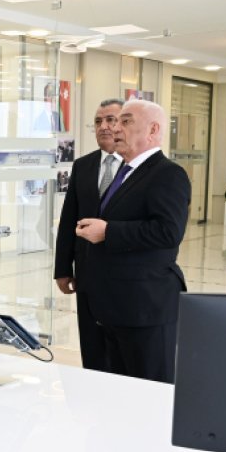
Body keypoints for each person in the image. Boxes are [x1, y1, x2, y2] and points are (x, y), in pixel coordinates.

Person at [74, 99, 190, 383]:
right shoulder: (125, 173)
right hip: (115, 307)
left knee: (148, 390)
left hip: (144, 308)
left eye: (125, 121)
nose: (116, 128)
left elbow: (168, 231)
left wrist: (108, 232)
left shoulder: (168, 174)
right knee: (119, 389)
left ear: (153, 130)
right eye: (117, 121)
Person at [54, 98, 123, 371]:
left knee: (119, 353)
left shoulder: (136, 167)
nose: (103, 126)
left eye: (111, 120)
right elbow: (68, 219)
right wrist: (63, 268)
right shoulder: (83, 165)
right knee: (92, 350)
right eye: (98, 121)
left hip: (121, 274)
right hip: (87, 273)